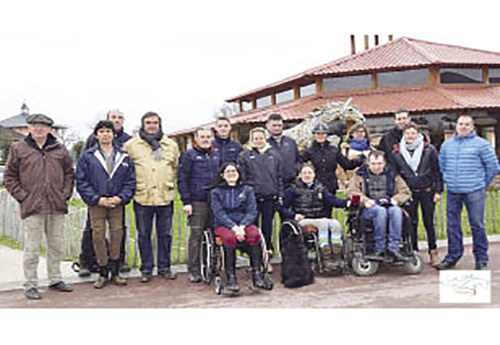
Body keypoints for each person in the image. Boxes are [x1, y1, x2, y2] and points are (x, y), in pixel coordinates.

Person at [4, 114, 75, 300]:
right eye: (35, 126)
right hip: (32, 206)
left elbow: (69, 173)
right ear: (29, 128)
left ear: (49, 129)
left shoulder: (60, 149)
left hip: (56, 205)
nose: (38, 129)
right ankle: (31, 284)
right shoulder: (18, 148)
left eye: (42, 126)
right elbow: (9, 177)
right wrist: (23, 197)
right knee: (32, 248)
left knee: (56, 246)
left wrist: (64, 194)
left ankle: (55, 278)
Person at [76, 121, 135, 288]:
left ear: (113, 134)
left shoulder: (123, 155)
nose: (105, 134)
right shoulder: (87, 156)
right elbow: (81, 181)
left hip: (117, 203)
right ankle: (102, 272)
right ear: (96, 135)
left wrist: (121, 197)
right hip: (97, 204)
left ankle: (115, 271)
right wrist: (96, 199)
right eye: (101, 131)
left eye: (108, 131)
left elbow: (130, 181)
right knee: (98, 236)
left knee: (117, 235)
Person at [436, 115, 500, 270]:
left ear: (472, 127)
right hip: (453, 191)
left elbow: (493, 167)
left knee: (477, 224)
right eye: (460, 124)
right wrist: (448, 180)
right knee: (452, 225)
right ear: (456, 126)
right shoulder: (447, 145)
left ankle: (481, 259)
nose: (463, 127)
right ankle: (452, 256)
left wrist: (481, 184)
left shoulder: (482, 145)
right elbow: (442, 165)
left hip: (474, 191)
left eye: (466, 124)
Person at [123, 112, 180, 282]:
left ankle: (164, 267)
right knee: (144, 234)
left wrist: (168, 181)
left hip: (165, 196)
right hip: (142, 197)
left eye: (155, 122)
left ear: (160, 124)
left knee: (165, 234)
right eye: (148, 123)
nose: (152, 125)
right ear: (142, 124)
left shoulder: (171, 144)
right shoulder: (131, 145)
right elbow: (125, 170)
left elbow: (175, 167)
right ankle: (146, 268)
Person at [210, 162, 273, 292]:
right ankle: (231, 277)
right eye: (228, 172)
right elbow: (219, 213)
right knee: (229, 238)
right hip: (225, 224)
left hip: (244, 223)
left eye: (234, 171)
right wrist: (234, 228)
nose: (231, 174)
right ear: (222, 175)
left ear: (238, 174)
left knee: (254, 234)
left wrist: (242, 226)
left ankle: (257, 273)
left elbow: (252, 211)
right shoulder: (216, 192)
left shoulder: (247, 190)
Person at [278, 163, 349, 272]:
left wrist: (347, 203)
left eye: (309, 173)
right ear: (300, 175)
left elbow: (333, 200)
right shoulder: (292, 189)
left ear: (314, 174)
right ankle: (326, 258)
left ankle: (336, 256)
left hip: (320, 218)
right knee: (324, 223)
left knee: (335, 224)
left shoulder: (320, 188)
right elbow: (282, 208)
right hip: (303, 220)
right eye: (304, 173)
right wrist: (293, 215)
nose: (307, 175)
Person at [391, 122, 443, 266]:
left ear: (418, 134)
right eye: (407, 133)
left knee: (429, 222)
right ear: (403, 135)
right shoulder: (396, 152)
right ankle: (413, 252)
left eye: (413, 133)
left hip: (427, 191)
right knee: (410, 223)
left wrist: (438, 190)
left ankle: (433, 252)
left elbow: (436, 171)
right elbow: (395, 175)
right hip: (409, 193)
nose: (410, 136)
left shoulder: (429, 150)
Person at [347, 150, 412, 261]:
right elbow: (352, 192)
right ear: (368, 163)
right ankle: (379, 248)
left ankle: (394, 248)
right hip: (368, 209)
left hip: (388, 205)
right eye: (373, 164)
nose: (377, 167)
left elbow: (405, 191)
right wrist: (365, 201)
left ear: (384, 163)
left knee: (396, 211)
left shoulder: (393, 175)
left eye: (379, 164)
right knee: (379, 211)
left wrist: (395, 200)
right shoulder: (359, 175)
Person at [178, 127, 221, 283]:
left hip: (215, 201)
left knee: (216, 233)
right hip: (197, 201)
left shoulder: (216, 154)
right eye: (202, 137)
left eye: (208, 136)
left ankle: (213, 264)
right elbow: (182, 179)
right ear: (195, 139)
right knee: (196, 236)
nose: (205, 139)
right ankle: (194, 269)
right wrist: (186, 202)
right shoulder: (188, 156)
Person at [238, 127, 283, 255]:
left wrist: (279, 194)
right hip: (253, 198)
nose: (258, 141)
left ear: (265, 138)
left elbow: (279, 176)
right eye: (255, 139)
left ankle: (267, 250)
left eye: (261, 138)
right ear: (251, 140)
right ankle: (254, 253)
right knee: (252, 227)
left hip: (270, 197)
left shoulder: (274, 155)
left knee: (268, 226)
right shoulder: (244, 156)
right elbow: (243, 178)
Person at [302, 122, 363, 215]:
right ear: (314, 135)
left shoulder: (333, 150)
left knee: (328, 212)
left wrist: (358, 160)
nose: (320, 136)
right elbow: (299, 164)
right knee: (314, 211)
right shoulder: (309, 151)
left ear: (327, 135)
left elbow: (347, 165)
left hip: (330, 184)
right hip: (315, 186)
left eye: (323, 133)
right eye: (318, 133)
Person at [266, 113, 302, 187]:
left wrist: (295, 170)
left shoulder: (291, 142)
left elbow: (299, 159)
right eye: (274, 125)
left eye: (279, 125)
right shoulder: (265, 144)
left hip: (291, 184)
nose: (277, 128)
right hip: (272, 185)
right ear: (268, 126)